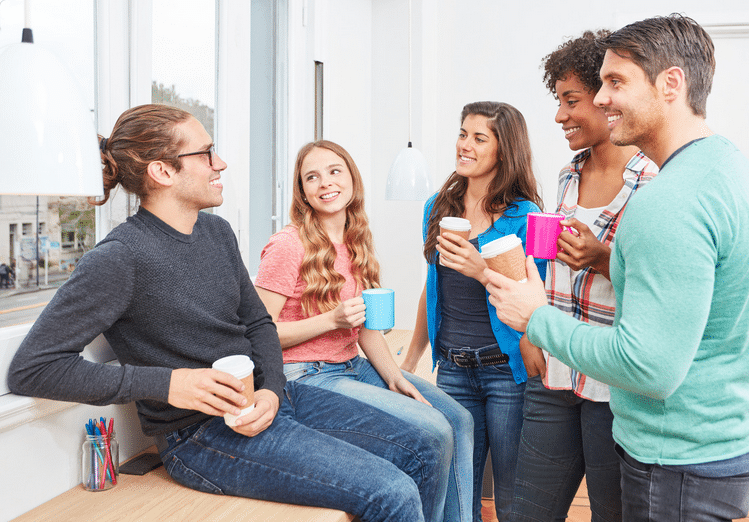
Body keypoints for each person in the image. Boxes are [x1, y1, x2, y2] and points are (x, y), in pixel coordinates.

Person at [7, 104, 445, 522]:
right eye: (206, 153)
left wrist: (272, 388)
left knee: (425, 444)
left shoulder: (215, 232)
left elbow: (257, 323)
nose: (221, 163)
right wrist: (170, 383)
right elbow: (33, 369)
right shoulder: (120, 258)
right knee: (392, 490)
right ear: (162, 171)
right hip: (200, 438)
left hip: (271, 401)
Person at [486, 14, 749, 522]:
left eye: (615, 82)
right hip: (719, 446)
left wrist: (535, 318)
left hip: (677, 458)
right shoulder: (730, 168)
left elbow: (647, 367)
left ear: (671, 84)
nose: (601, 98)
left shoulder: (667, 200)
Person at [254, 139, 475, 522]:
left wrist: (395, 376)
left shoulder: (356, 239)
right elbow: (257, 335)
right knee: (433, 433)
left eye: (334, 171)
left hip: (353, 366)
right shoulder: (289, 245)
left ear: (352, 178)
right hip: (305, 378)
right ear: (302, 192)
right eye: (312, 177)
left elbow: (366, 326)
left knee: (458, 420)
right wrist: (331, 320)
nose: (325, 183)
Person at [510, 31, 658, 522]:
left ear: (604, 98)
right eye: (559, 101)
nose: (560, 116)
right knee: (525, 513)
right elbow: (546, 267)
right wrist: (531, 332)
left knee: (610, 515)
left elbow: (661, 285)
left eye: (571, 100)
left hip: (612, 388)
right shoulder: (568, 174)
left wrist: (601, 257)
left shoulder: (653, 181)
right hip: (553, 373)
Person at [401, 101, 546, 522]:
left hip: (507, 373)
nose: (465, 145)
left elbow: (530, 298)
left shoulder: (524, 217)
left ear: (505, 150)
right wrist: (410, 360)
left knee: (512, 498)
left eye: (479, 138)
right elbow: (434, 286)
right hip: (452, 371)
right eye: (462, 134)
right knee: (456, 499)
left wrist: (480, 270)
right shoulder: (438, 207)